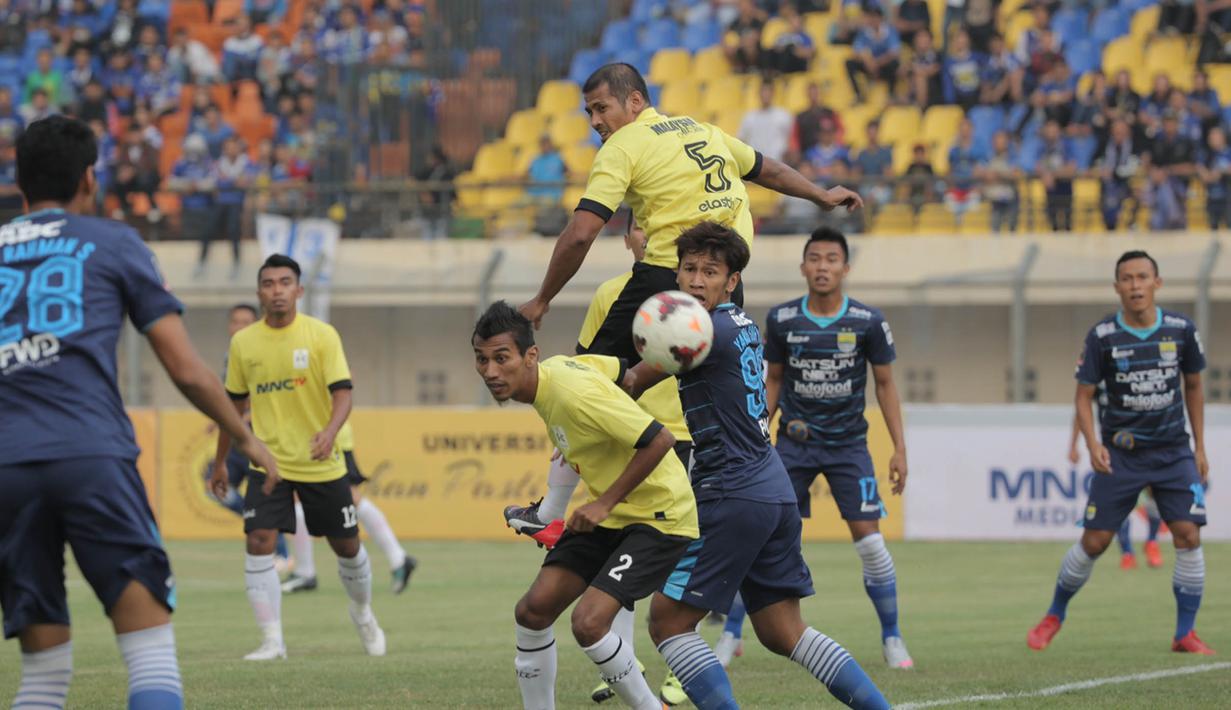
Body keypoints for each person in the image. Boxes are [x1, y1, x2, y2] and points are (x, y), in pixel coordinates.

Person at [0, 115, 277, 709]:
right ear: (90, 180)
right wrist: (247, 441)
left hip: (7, 468)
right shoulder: (114, 242)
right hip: (90, 454)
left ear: (18, 184)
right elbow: (183, 368)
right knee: (149, 653)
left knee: (43, 675)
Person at [623, 223, 890, 710]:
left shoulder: (699, 329)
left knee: (667, 622)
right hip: (772, 486)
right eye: (688, 269)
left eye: (710, 271)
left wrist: (576, 387)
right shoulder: (738, 323)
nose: (696, 280)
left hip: (732, 492)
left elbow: (636, 379)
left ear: (731, 280)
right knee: (782, 630)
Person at [518, 62, 860, 364]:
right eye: (589, 112)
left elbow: (580, 233)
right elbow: (766, 169)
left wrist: (542, 299)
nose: (594, 121)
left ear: (635, 101)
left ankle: (637, 436)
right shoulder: (701, 129)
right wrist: (820, 195)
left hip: (668, 280)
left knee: (591, 379)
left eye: (601, 108)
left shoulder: (621, 146)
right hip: (727, 284)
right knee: (696, 385)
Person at [473, 301, 699, 710]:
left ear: (530, 355)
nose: (490, 371)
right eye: (482, 359)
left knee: (588, 622)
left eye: (501, 358)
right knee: (533, 611)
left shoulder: (571, 395)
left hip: (661, 515)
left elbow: (660, 440)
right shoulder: (560, 374)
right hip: (614, 514)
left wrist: (603, 503)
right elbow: (624, 376)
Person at [1027, 251, 1213, 655]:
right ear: (1117, 288)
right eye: (1126, 279)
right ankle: (1054, 614)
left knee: (1188, 535)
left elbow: (1195, 388)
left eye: (1142, 277)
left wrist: (1200, 446)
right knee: (1094, 542)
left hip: (1173, 453)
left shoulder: (1181, 330)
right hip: (1121, 455)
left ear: (1156, 283)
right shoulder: (1103, 335)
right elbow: (1083, 395)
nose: (1134, 286)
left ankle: (1185, 632)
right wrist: (1092, 445)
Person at [754, 226, 914, 670]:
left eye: (831, 259)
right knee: (759, 532)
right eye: (814, 259)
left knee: (871, 544)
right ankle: (731, 635)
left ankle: (892, 636)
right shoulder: (783, 319)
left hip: (848, 447)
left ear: (845, 268)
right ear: (803, 266)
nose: (822, 267)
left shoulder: (867, 321)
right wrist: (756, 431)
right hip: (794, 444)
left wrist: (899, 449)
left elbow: (885, 385)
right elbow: (775, 381)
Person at [212, 254, 387, 661]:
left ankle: (362, 612)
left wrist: (329, 432)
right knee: (259, 542)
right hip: (267, 464)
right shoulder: (243, 343)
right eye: (269, 283)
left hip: (320, 463)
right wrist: (221, 461)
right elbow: (232, 408)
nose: (277, 290)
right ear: (259, 292)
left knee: (346, 547)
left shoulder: (322, 335)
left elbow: (343, 391)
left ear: (299, 290)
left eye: (285, 282)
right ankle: (272, 640)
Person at [281, 422, 419, 596]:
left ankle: (305, 572)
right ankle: (398, 558)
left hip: (322, 434)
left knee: (336, 497)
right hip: (317, 433)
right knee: (346, 497)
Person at [209, 304, 293, 572]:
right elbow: (230, 397)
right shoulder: (230, 356)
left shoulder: (267, 351)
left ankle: (281, 553)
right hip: (237, 437)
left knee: (267, 494)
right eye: (235, 321)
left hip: (261, 437)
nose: (240, 326)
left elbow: (277, 392)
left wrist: (245, 417)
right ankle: (273, 538)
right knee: (215, 490)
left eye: (246, 321)